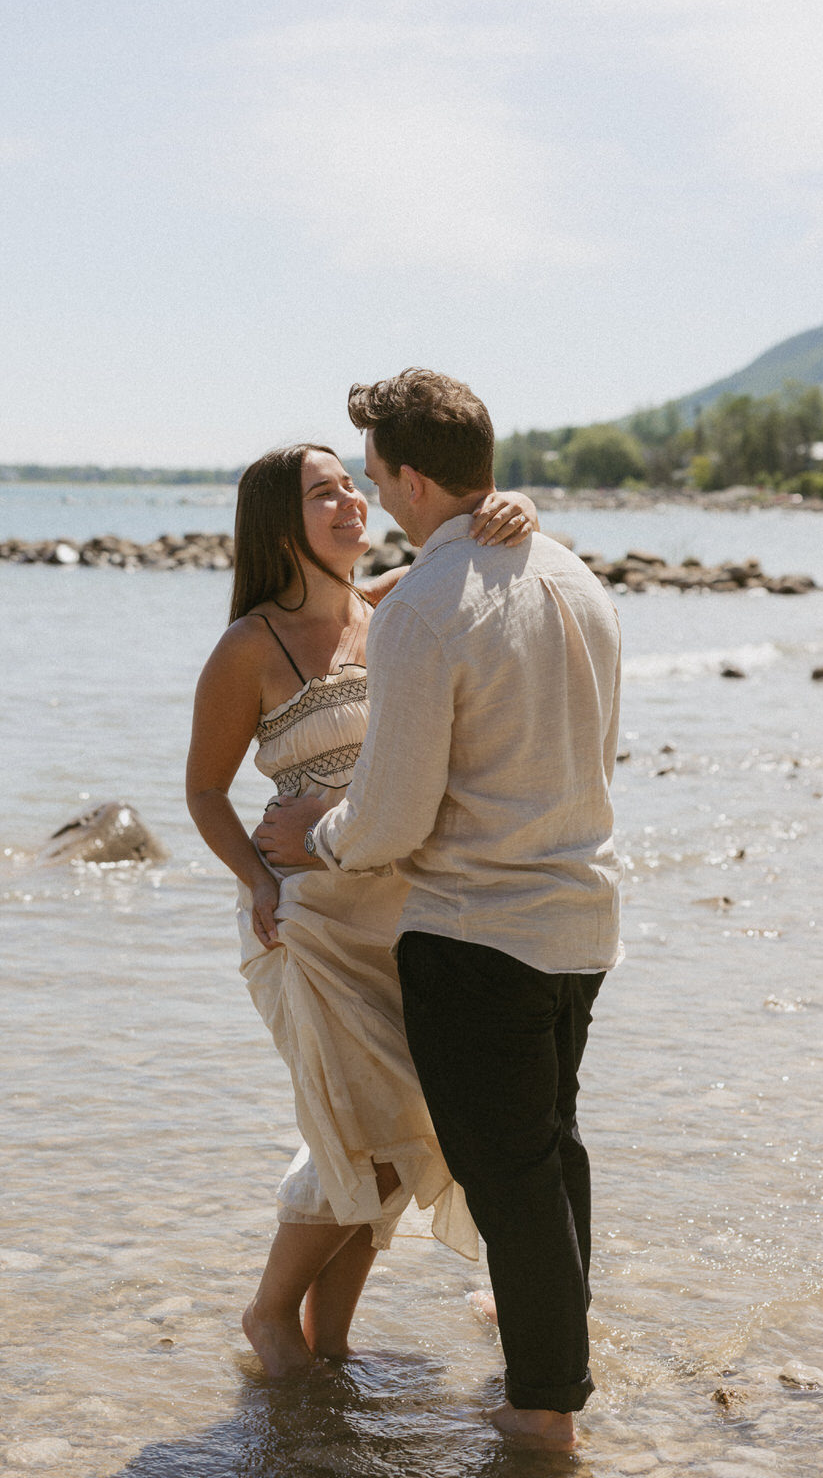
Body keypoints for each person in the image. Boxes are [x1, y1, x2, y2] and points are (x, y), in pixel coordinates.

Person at [255, 371, 622, 1451]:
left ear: (413, 478)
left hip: (476, 934)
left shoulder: (422, 605)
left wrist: (310, 833)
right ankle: (554, 1360)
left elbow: (391, 821)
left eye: (375, 478)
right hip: (579, 920)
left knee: (511, 1172)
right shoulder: (578, 577)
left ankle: (544, 1410)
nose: (374, 499)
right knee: (549, 1153)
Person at [186, 442, 537, 1378]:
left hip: (401, 916)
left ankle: (329, 1346)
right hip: (303, 926)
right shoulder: (249, 645)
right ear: (278, 523)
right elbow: (206, 793)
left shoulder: (394, 605)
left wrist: (516, 509)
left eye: (351, 484)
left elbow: (490, 553)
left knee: (404, 1128)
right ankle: (269, 1317)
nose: (350, 501)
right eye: (322, 493)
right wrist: (258, 884)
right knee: (364, 1133)